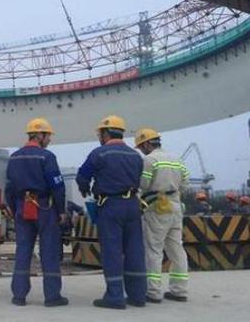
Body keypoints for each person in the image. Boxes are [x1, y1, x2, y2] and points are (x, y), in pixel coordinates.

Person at [76, 115, 146, 309]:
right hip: (133, 205)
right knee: (135, 250)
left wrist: (85, 189)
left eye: (100, 133)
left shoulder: (99, 153)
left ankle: (115, 296)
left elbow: (82, 176)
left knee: (112, 251)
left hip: (110, 205)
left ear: (106, 133)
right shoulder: (135, 155)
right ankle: (138, 295)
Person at [5, 118, 69, 307]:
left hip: (22, 207)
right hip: (44, 208)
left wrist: (15, 209)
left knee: (23, 250)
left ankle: (19, 295)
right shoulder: (47, 157)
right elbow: (57, 186)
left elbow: (9, 188)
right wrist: (61, 210)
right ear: (40, 135)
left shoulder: (14, 157)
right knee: (49, 250)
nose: (49, 140)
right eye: (48, 136)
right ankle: (52, 296)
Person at [135, 128, 190, 303]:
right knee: (177, 249)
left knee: (154, 250)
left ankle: (153, 292)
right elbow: (185, 183)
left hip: (157, 207)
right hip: (175, 206)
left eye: (140, 147)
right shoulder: (177, 159)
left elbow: (143, 184)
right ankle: (179, 290)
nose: (141, 150)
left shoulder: (150, 160)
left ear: (146, 144)